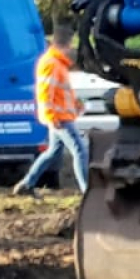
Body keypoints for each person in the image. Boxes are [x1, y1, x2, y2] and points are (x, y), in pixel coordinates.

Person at [11, 23, 87, 198]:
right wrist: (52, 116)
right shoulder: (52, 64)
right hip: (59, 118)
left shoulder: (56, 63)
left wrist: (75, 103)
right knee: (80, 151)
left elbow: (59, 91)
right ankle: (87, 191)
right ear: (66, 45)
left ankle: (26, 184)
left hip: (60, 116)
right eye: (70, 46)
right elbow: (45, 93)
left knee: (53, 152)